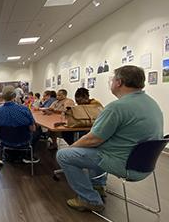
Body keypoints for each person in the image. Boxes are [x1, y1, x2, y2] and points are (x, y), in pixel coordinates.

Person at [56, 65, 163, 212]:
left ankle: (89, 199)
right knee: (99, 147)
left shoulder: (117, 107)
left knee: (64, 155)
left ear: (118, 82)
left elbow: (93, 139)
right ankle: (98, 185)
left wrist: (72, 147)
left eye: (112, 80)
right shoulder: (152, 103)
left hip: (124, 164)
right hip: (145, 165)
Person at [0, 86, 41, 165]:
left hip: (5, 141)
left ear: (3, 97)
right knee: (38, 131)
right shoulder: (25, 109)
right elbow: (32, 129)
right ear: (14, 96)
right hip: (24, 141)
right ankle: (29, 156)